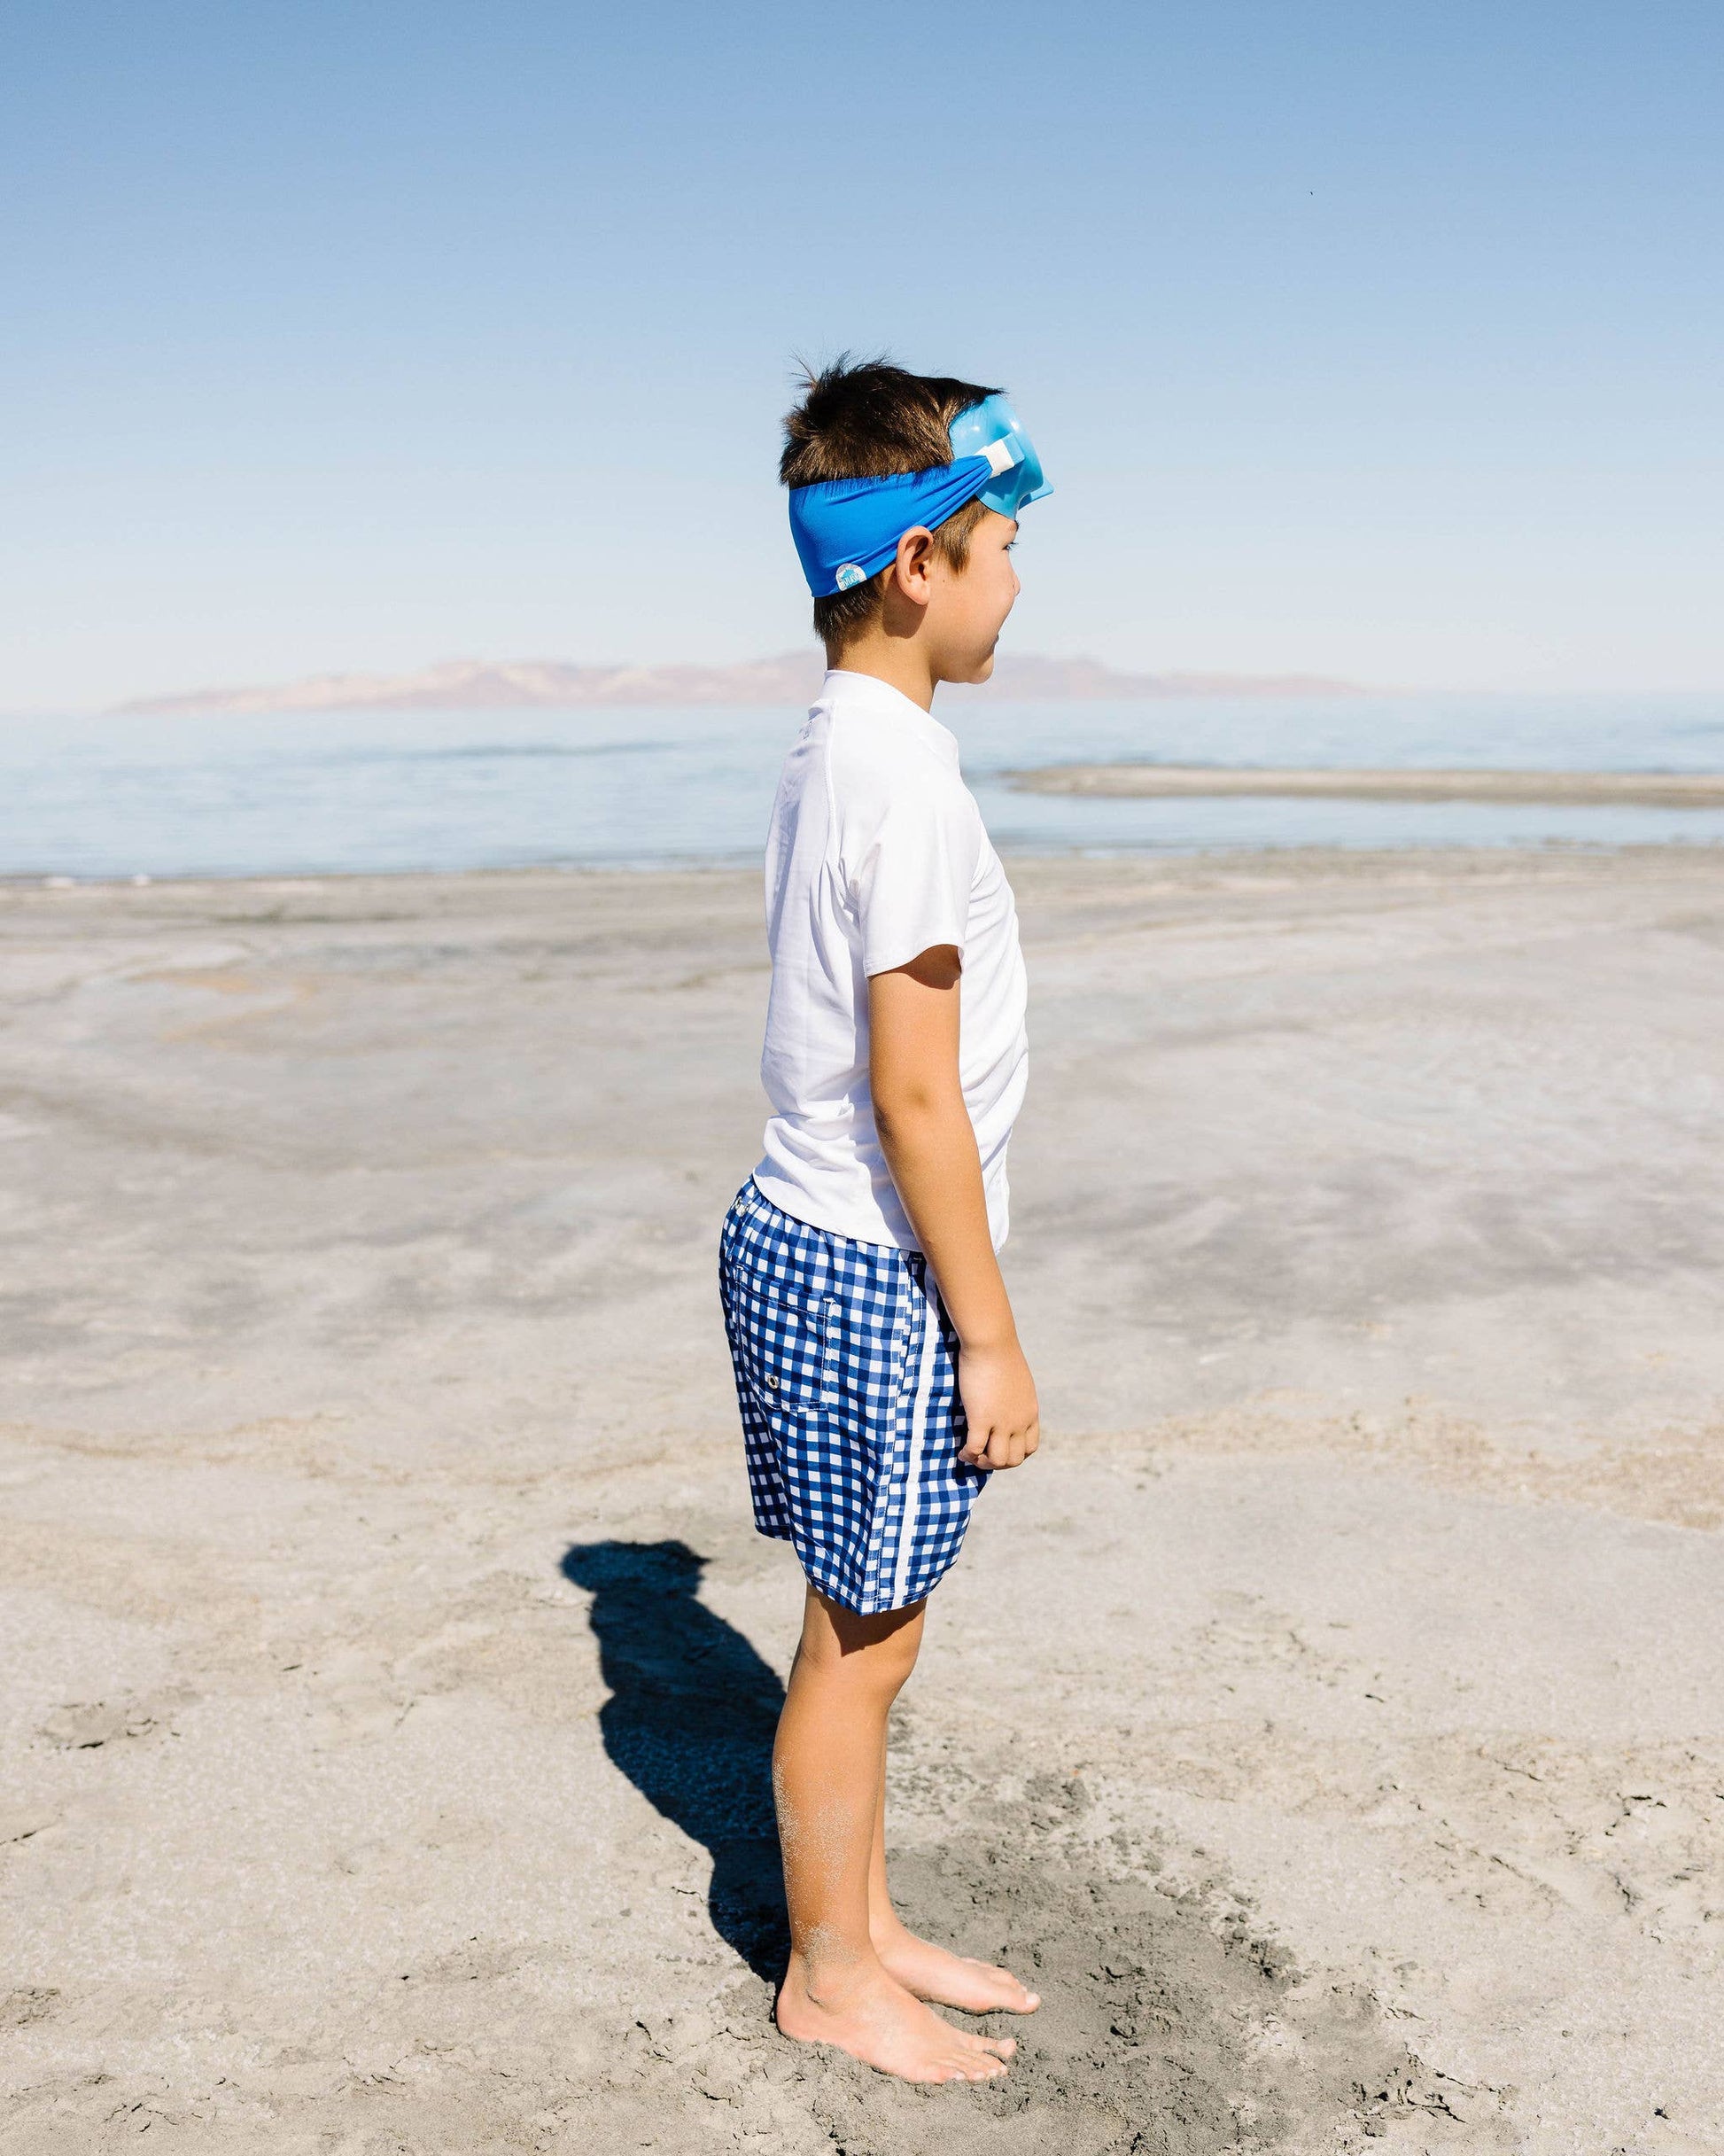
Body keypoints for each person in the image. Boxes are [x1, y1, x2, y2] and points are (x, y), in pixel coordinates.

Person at [718, 357, 1052, 2084]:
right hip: (873, 1262)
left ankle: (864, 1919)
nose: (1018, 585)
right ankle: (832, 1972)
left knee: (855, 1620)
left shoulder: (836, 745)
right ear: (919, 562)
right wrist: (987, 1332)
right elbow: (916, 1098)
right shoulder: (905, 778)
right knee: (864, 1645)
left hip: (802, 1234)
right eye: (1004, 548)